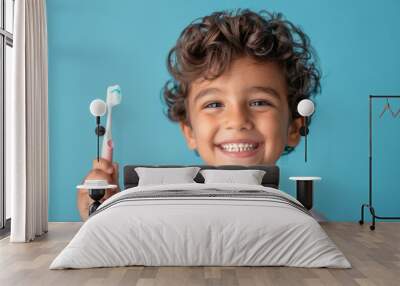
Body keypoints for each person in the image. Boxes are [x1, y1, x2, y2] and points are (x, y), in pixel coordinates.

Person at [78, 9, 321, 220]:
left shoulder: (312, 227)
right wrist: (103, 210)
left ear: (293, 128)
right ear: (189, 131)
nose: (237, 121)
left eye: (259, 102)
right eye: (214, 104)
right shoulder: (161, 219)